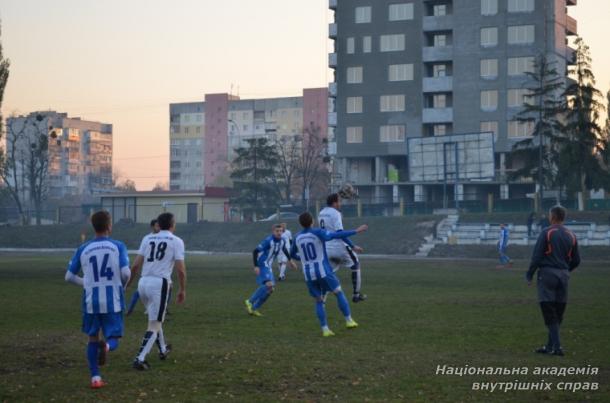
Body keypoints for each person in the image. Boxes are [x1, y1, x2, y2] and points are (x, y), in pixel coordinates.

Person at [64, 211, 131, 389]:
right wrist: (122, 285)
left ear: (94, 227)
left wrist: (86, 283)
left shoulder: (83, 248)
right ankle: (107, 347)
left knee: (92, 338)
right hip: (112, 300)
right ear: (109, 226)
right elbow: (126, 273)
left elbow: (69, 276)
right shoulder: (118, 246)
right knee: (114, 337)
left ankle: (95, 378)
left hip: (91, 301)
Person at [291, 212, 368, 336]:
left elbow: (292, 254)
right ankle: (349, 320)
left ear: (300, 223)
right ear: (312, 222)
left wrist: (304, 259)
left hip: (308, 274)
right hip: (323, 271)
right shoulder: (318, 232)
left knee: (319, 300)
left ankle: (325, 329)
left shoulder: (297, 237)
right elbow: (337, 234)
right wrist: (356, 231)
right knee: (338, 292)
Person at [127, 212, 187, 370]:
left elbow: (135, 265)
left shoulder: (147, 238)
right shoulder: (176, 241)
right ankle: (139, 358)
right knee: (154, 324)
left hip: (143, 282)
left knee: (154, 319)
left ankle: (162, 349)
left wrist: (128, 284)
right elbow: (181, 270)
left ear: (158, 224)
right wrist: (182, 289)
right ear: (173, 224)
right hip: (159, 284)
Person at [526, 205, 580, 356]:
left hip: (548, 274)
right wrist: (565, 270)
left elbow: (536, 257)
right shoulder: (571, 235)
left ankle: (557, 347)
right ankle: (549, 346)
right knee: (558, 311)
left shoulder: (547, 232)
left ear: (553, 217)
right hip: (563, 275)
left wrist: (529, 274)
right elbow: (576, 260)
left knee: (548, 310)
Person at [318, 193, 366, 302]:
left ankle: (322, 299)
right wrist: (353, 246)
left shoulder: (321, 213)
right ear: (334, 203)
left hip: (327, 249)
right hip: (338, 247)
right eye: (339, 201)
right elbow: (340, 233)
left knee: (329, 274)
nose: (340, 204)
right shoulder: (335, 213)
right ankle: (356, 294)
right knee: (355, 264)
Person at [245, 224, 295, 316]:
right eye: (277, 231)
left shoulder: (282, 241)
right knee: (269, 284)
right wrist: (256, 266)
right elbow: (255, 251)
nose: (279, 233)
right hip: (263, 263)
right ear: (273, 231)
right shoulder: (268, 241)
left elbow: (284, 249)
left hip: (268, 265)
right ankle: (250, 301)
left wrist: (290, 261)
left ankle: (254, 309)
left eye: (281, 231)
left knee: (270, 289)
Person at [127, 218, 162, 316]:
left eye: (160, 226)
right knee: (138, 292)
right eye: (157, 226)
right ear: (152, 227)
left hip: (159, 272)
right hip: (149, 272)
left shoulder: (161, 238)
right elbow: (141, 257)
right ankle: (130, 309)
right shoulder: (147, 239)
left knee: (166, 290)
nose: (159, 228)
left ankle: (162, 309)